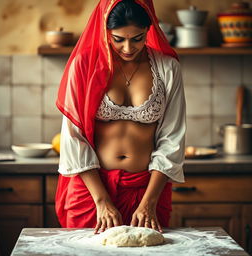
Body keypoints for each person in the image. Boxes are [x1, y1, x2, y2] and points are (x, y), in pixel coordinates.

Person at [55, 0, 186, 234]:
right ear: (106, 31)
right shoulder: (84, 65)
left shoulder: (168, 68)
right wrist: (101, 200)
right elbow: (73, 137)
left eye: (137, 38)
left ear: (150, 29)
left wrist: (149, 202)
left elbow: (172, 138)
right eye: (118, 39)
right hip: (91, 192)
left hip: (147, 192)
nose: (128, 48)